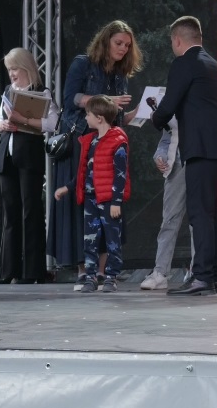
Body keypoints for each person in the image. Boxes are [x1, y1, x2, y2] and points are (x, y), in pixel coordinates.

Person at [46, 20, 143, 290]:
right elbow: (71, 99)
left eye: (127, 45)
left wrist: (138, 114)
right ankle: (83, 270)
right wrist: (105, 100)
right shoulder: (83, 64)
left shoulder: (120, 75)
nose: (123, 49)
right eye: (118, 43)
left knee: (107, 204)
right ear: (105, 41)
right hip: (80, 141)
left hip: (108, 145)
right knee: (83, 204)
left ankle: (102, 271)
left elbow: (116, 118)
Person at [152, 16, 217, 296]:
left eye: (172, 42)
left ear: (177, 40)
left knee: (200, 213)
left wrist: (156, 118)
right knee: (213, 215)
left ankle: (201, 277)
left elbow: (169, 105)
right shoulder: (215, 67)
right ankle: (216, 276)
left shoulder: (184, 63)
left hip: (201, 149)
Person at [0, 47, 59, 284]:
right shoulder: (8, 91)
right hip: (7, 155)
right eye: (9, 69)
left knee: (31, 211)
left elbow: (52, 122)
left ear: (26, 68)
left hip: (29, 157)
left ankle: (32, 271)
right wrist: (2, 125)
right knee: (10, 212)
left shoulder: (41, 92)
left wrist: (24, 120)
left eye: (15, 69)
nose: (12, 74)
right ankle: (8, 271)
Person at [54, 95, 130, 293]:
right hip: (91, 199)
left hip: (109, 201)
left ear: (99, 118)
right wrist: (67, 188)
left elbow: (121, 175)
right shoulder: (91, 142)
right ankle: (90, 277)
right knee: (90, 239)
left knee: (112, 240)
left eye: (88, 114)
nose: (85, 118)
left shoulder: (118, 142)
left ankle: (111, 277)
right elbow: (84, 172)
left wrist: (116, 201)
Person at [139, 125, 195, 290]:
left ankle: (198, 272)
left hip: (200, 163)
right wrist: (160, 155)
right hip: (177, 165)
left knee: (198, 221)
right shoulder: (171, 110)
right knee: (169, 220)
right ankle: (160, 272)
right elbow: (166, 138)